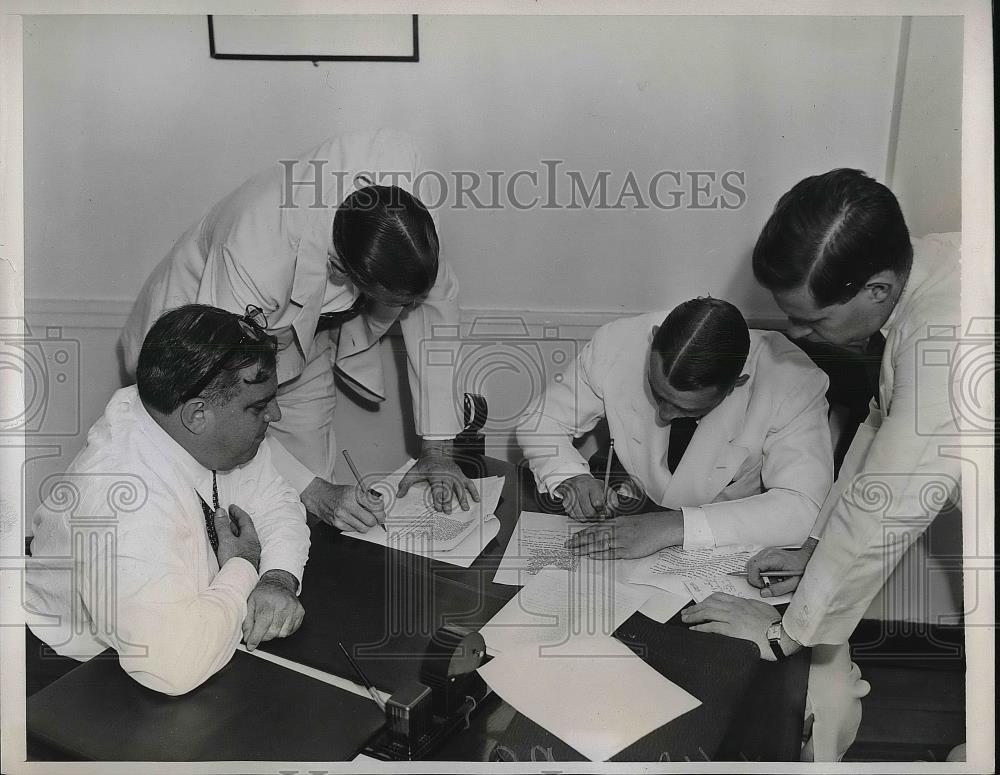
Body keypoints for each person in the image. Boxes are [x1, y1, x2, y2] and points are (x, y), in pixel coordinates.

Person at [682, 169, 962, 761]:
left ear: (877, 291)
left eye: (813, 320)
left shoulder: (949, 339)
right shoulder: (921, 264)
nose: (797, 333)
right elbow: (879, 433)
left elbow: (886, 505)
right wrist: (813, 542)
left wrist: (784, 636)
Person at [121, 130, 478, 532]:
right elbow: (223, 399)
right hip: (199, 342)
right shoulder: (256, 248)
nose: (404, 310)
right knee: (222, 492)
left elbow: (434, 312)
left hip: (300, 334)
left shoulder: (403, 204)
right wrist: (314, 492)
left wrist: (438, 451)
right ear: (344, 272)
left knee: (309, 494)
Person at [26, 304, 311, 695]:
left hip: (182, 627)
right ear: (197, 415)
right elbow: (170, 667)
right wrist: (245, 565)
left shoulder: (193, 422)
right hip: (77, 669)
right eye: (259, 406)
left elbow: (278, 502)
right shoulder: (122, 495)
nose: (274, 415)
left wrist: (277, 578)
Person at [516, 297, 834, 557]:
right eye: (657, 392)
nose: (664, 415)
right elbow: (541, 419)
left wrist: (672, 527)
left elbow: (801, 508)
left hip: (722, 541)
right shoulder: (618, 344)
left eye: (684, 407)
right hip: (633, 512)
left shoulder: (792, 381)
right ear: (654, 338)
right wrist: (570, 476)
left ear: (737, 384)